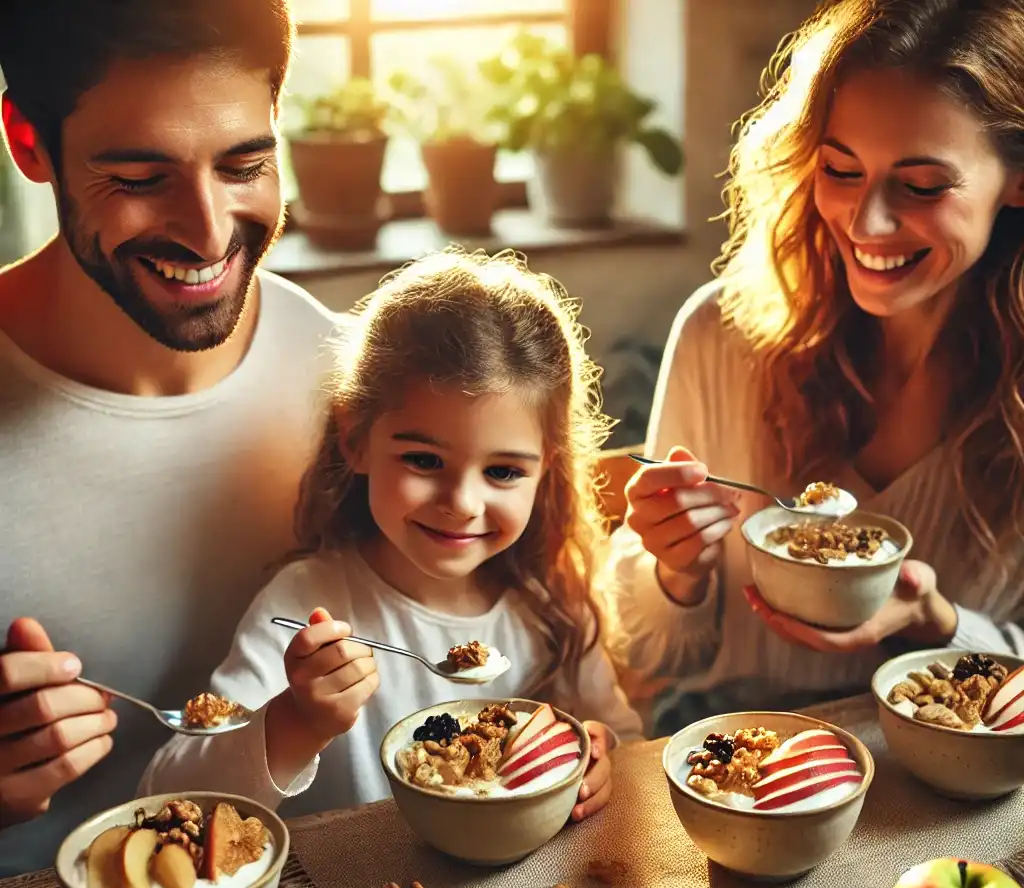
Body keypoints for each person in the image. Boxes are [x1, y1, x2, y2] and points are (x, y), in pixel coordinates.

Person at [607, 0, 1024, 735]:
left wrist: (938, 624)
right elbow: (646, 646)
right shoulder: (721, 336)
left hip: (947, 772)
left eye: (922, 185)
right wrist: (676, 571)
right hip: (730, 755)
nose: (866, 224)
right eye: (841, 169)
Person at [0, 0, 341, 875]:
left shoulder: (345, 376)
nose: (210, 231)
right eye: (141, 177)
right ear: (29, 143)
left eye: (244, 164)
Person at [140, 248, 643, 820]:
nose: (462, 504)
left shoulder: (553, 603)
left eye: (503, 471)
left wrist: (604, 756)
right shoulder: (307, 608)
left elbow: (623, 738)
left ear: (545, 468)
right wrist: (295, 723)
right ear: (355, 438)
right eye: (424, 461)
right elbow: (165, 799)